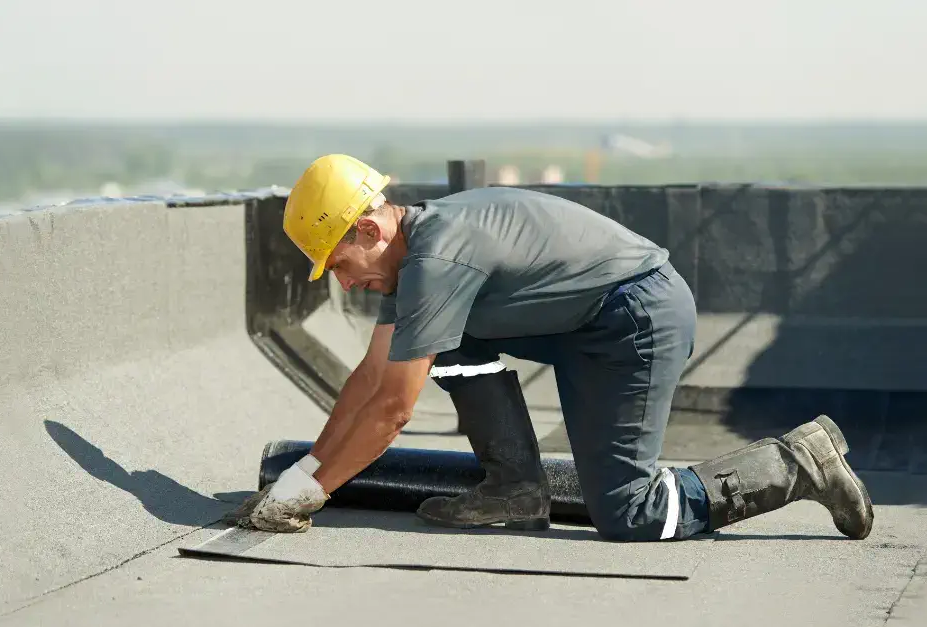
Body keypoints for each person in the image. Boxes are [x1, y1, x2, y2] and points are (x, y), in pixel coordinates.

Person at [230, 153, 874, 542]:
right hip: (586, 321)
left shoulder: (438, 256)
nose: (344, 282)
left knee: (630, 513)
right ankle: (515, 489)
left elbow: (393, 411)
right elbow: (369, 382)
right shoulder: (410, 264)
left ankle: (795, 464)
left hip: (636, 320)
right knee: (443, 343)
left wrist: (310, 496)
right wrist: (301, 474)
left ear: (370, 227)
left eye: (340, 264)